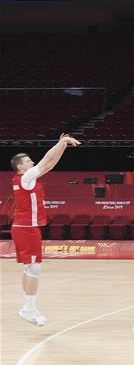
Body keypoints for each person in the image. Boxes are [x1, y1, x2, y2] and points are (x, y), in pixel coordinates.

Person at [10, 133, 81, 326]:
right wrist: (61, 143)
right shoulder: (26, 177)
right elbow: (46, 160)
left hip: (23, 227)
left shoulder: (25, 178)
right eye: (28, 160)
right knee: (34, 269)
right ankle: (29, 309)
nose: (31, 162)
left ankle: (27, 307)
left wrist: (63, 147)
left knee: (30, 268)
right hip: (27, 228)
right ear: (20, 166)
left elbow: (49, 165)